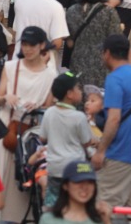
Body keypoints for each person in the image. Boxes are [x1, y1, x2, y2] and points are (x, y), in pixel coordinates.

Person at [0, 27, 54, 224]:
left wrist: (39, 106)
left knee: (25, 171)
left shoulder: (50, 75)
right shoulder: (11, 66)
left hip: (31, 127)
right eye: (24, 44)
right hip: (6, 122)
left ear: (41, 46)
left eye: (31, 45)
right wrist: (7, 98)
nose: (27, 49)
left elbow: (49, 106)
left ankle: (21, 221)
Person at [92, 34, 131, 224]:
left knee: (101, 206)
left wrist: (101, 151)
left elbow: (114, 119)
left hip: (120, 153)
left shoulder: (115, 79)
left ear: (107, 53)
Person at [39, 73, 93, 207]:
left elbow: (42, 137)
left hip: (54, 166)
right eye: (78, 88)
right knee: (73, 204)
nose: (81, 92)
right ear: (69, 93)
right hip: (75, 169)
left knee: (53, 202)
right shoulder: (79, 117)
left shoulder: (49, 112)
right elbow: (86, 142)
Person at [65, 0, 122, 87]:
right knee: (98, 99)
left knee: (79, 97)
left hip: (77, 62)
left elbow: (70, 42)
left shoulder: (71, 10)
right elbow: (116, 41)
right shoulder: (109, 12)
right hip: (102, 64)